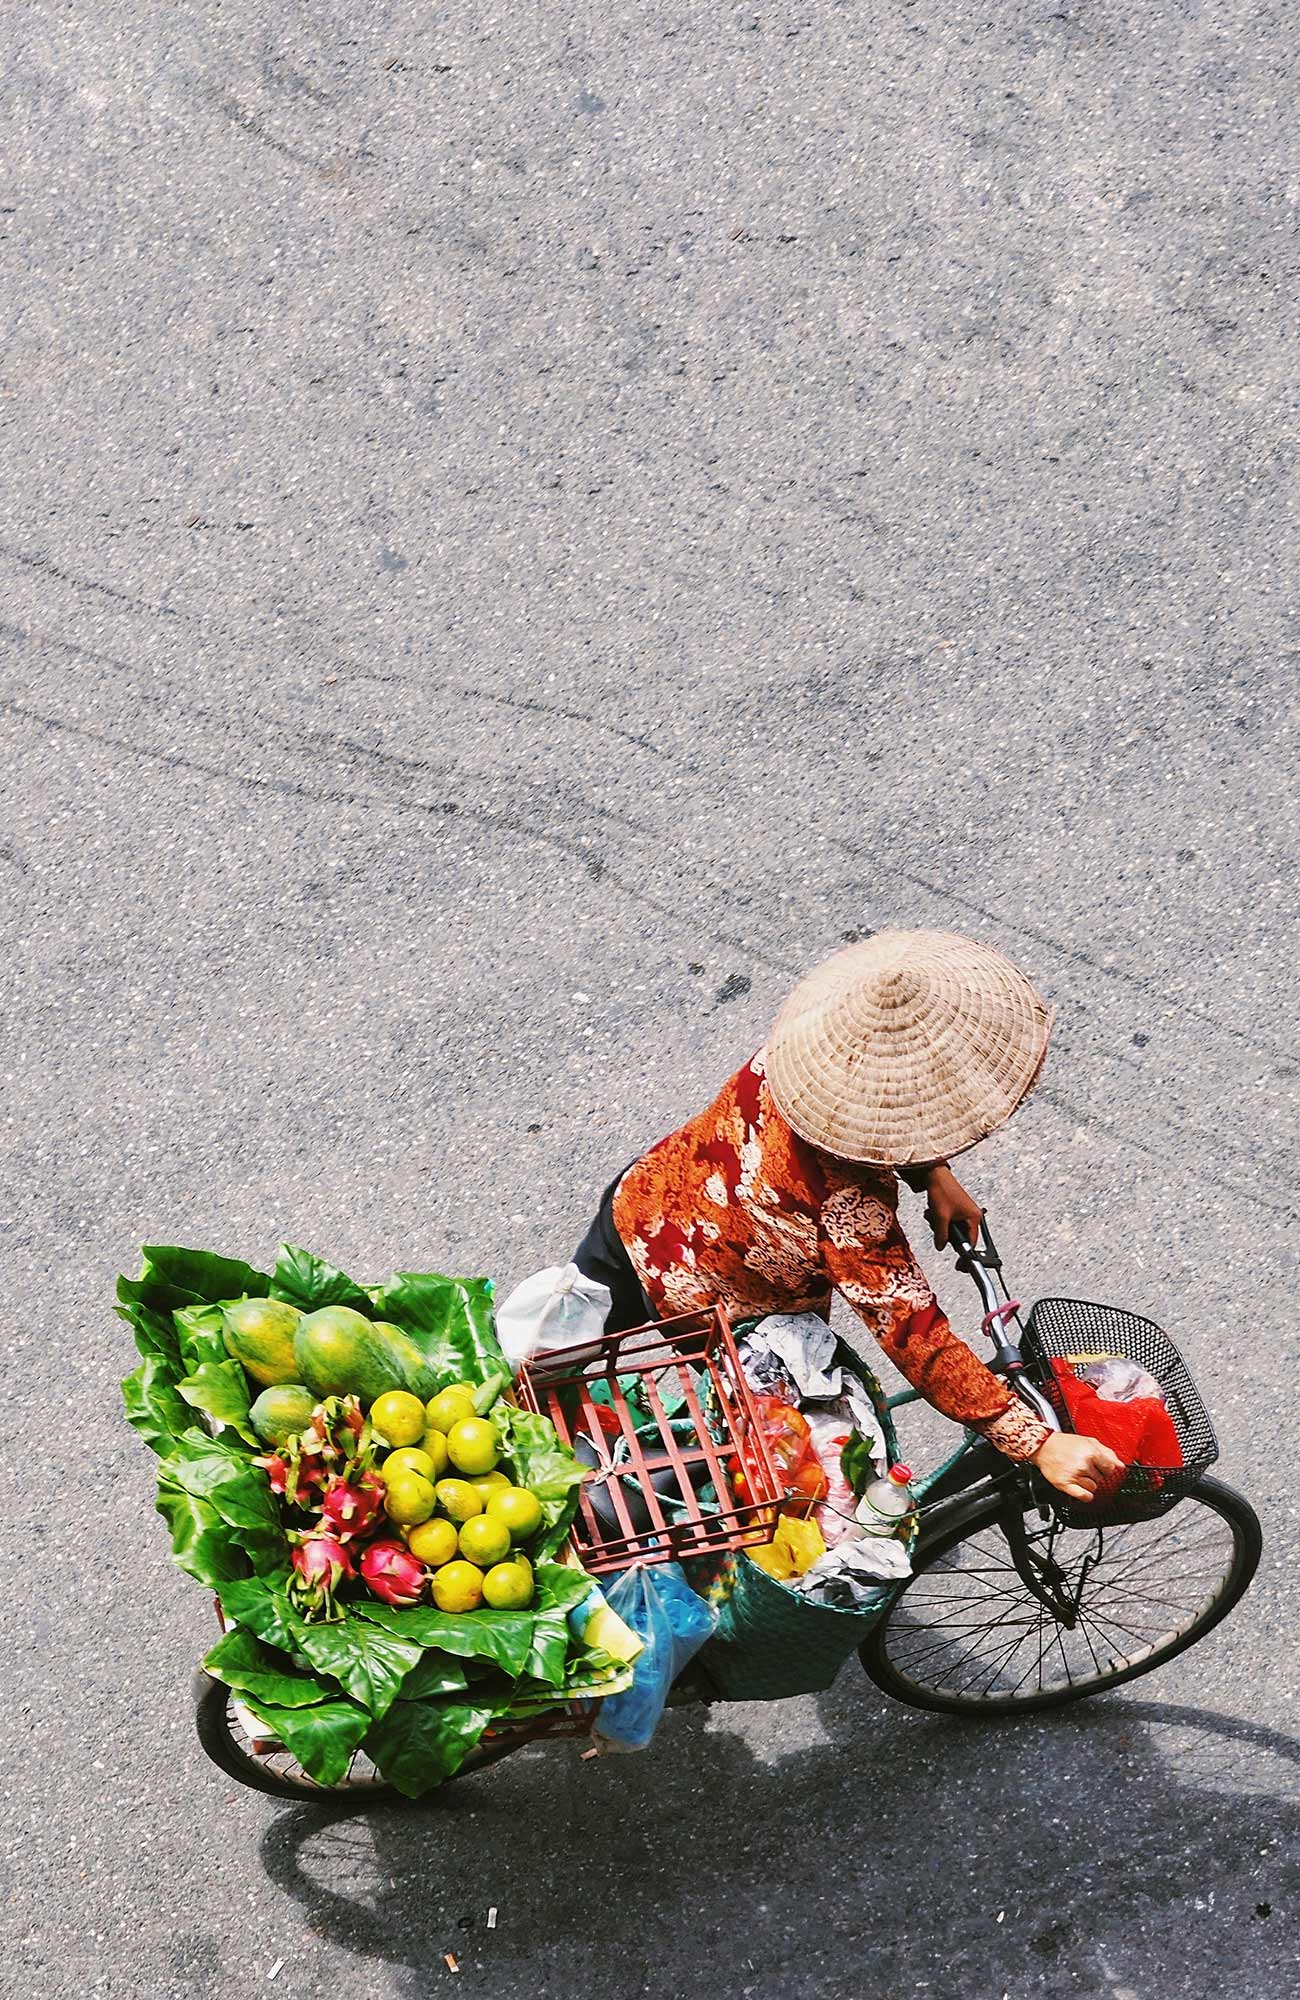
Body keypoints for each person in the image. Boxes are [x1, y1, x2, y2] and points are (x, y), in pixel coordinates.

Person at [573, 928, 1124, 1505]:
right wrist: (1036, 1442)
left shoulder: (807, 1052)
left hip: (649, 1199)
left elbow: (876, 1108)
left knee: (592, 1379)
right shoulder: (850, 1208)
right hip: (707, 1291)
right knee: (727, 1457)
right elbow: (915, 1334)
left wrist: (931, 1174)